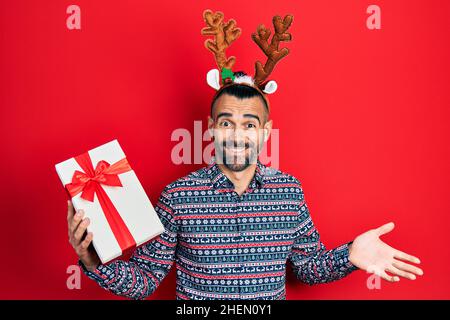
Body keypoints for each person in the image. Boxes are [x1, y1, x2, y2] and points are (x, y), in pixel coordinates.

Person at [66, 10, 423, 300]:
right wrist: (92, 259)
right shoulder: (177, 198)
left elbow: (308, 269)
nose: (237, 135)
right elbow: (143, 283)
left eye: (249, 125)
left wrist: (350, 255)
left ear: (265, 132)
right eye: (227, 122)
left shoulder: (290, 193)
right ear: (210, 128)